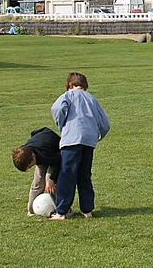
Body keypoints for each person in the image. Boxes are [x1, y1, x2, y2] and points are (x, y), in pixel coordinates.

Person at [50, 72, 110, 220]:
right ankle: (87, 210)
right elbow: (105, 124)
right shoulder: (92, 99)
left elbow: (57, 109)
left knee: (67, 174)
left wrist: (62, 124)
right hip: (89, 141)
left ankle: (61, 211)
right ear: (85, 87)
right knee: (84, 174)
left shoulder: (67, 96)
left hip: (71, 139)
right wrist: (96, 136)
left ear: (70, 85)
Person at [12, 127, 61, 215]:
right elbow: (35, 132)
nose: (32, 167)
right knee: (38, 182)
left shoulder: (45, 153)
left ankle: (61, 209)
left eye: (31, 166)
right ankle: (31, 211)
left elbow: (58, 161)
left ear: (33, 156)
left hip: (55, 155)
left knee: (49, 182)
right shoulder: (24, 150)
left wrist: (51, 179)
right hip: (41, 155)